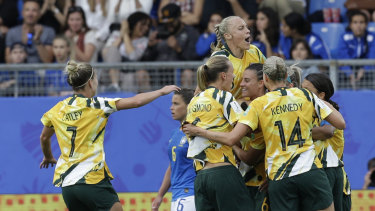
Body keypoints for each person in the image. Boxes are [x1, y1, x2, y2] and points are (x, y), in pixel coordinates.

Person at [183, 56, 346, 211]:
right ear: (285, 75)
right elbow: (340, 123)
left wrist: (199, 131)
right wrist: (319, 101)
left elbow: (232, 138)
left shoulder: (259, 105)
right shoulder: (304, 95)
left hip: (280, 176)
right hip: (310, 171)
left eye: (247, 80)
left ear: (265, 79)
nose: (241, 83)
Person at [39, 60, 179, 211]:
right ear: (91, 83)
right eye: (96, 79)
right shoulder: (96, 105)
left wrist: (47, 156)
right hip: (90, 179)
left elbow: (44, 138)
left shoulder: (57, 110)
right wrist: (161, 91)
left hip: (67, 186)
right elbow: (136, 101)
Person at [185, 55, 251, 210]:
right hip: (223, 172)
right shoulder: (224, 96)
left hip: (201, 178)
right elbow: (245, 130)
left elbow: (190, 132)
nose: (235, 77)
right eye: (233, 73)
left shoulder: (194, 101)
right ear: (223, 76)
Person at [302, 73, 349, 211]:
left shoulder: (326, 111)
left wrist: (292, 133)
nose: (302, 94)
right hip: (320, 175)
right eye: (301, 90)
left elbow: (327, 131)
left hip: (332, 176)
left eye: (307, 91)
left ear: (321, 95)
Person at [151, 88, 196, 211]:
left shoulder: (196, 132)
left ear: (189, 106)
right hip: (177, 195)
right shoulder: (175, 134)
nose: (171, 107)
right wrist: (160, 195)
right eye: (171, 103)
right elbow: (172, 166)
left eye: (176, 104)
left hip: (191, 195)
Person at [235, 63, 269, 210]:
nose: (241, 84)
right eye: (242, 79)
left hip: (262, 185)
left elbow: (250, 158)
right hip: (240, 183)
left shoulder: (269, 107)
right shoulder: (235, 105)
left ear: (261, 83)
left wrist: (231, 142)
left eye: (247, 80)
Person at [210, 15, 266, 100]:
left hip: (253, 107)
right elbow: (210, 94)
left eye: (247, 27)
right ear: (228, 35)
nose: (248, 31)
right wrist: (240, 104)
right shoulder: (220, 59)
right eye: (241, 28)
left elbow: (270, 74)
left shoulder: (254, 51)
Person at [102, 11, 152, 93]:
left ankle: (123, 99)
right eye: (143, 24)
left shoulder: (144, 41)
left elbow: (133, 56)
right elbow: (106, 53)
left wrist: (125, 34)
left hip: (128, 73)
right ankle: (115, 84)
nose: (146, 28)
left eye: (148, 25)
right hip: (111, 73)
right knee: (111, 50)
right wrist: (121, 35)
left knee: (129, 78)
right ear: (133, 23)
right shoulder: (117, 34)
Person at [337, 9, 375, 90]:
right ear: (350, 25)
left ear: (366, 24)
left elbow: (372, 57)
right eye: (355, 22)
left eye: (361, 22)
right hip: (348, 69)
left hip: (366, 69)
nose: (358, 25)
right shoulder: (344, 37)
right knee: (338, 74)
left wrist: (364, 70)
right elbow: (343, 58)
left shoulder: (372, 37)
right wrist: (350, 74)